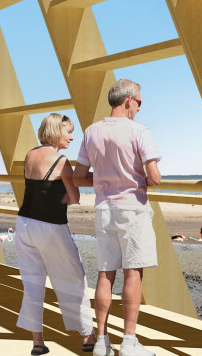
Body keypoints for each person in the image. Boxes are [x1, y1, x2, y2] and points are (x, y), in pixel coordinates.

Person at [74, 79, 162, 356]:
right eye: (139, 102)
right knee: (133, 273)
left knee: (105, 274)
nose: (139, 108)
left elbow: (78, 177)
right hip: (132, 208)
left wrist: (104, 178)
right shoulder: (139, 130)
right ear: (128, 101)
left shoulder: (91, 132)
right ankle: (129, 342)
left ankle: (101, 341)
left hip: (104, 209)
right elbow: (155, 178)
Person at [15, 114, 95, 356]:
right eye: (68, 131)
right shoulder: (61, 161)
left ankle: (37, 343)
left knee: (32, 283)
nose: (72, 136)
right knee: (73, 278)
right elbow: (76, 198)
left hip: (24, 224)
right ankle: (87, 335)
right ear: (55, 132)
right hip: (51, 226)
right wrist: (66, 197)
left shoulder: (30, 154)